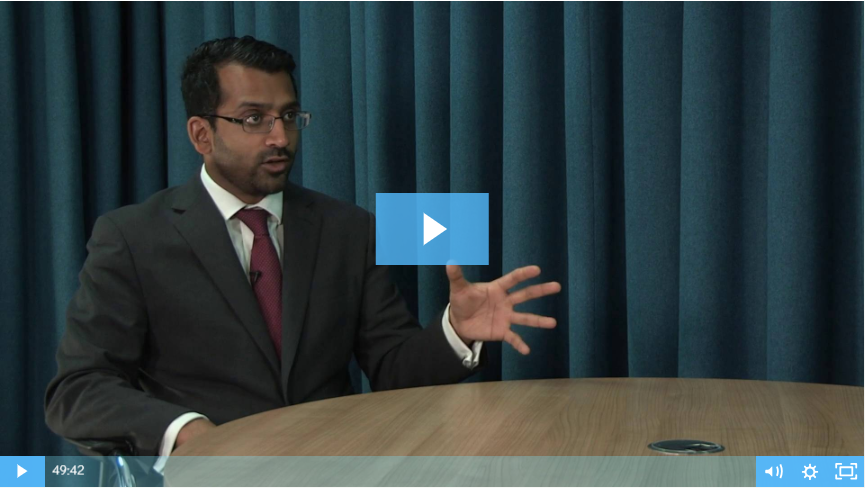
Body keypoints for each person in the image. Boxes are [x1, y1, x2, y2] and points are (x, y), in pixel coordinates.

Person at [44, 36, 561, 468]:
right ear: (202, 134)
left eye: (289, 115)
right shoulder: (132, 237)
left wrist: (456, 331)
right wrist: (188, 431)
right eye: (254, 119)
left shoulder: (348, 229)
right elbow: (79, 389)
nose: (280, 137)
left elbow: (393, 369)